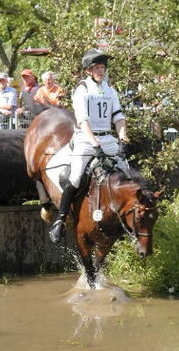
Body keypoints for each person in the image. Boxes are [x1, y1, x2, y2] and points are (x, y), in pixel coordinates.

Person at [49, 48, 130, 243]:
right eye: (97, 68)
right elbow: (83, 121)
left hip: (108, 139)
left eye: (102, 67)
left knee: (127, 173)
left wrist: (123, 139)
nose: (101, 71)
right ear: (88, 71)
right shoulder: (82, 89)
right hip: (85, 140)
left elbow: (118, 117)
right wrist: (95, 145)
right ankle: (60, 220)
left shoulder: (110, 90)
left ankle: (128, 220)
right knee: (76, 177)